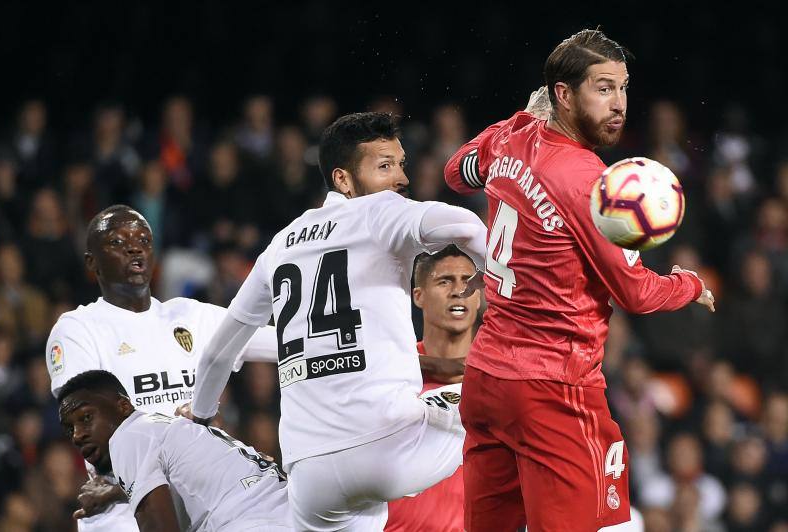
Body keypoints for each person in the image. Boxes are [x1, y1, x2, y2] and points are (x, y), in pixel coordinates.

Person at [444, 29, 715, 531]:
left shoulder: (512, 135)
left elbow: (457, 173)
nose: (619, 105)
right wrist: (690, 286)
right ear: (564, 96)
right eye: (604, 88)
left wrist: (518, 122)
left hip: (486, 379)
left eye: (623, 87)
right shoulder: (589, 182)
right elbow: (634, 291)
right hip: (553, 389)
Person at [187, 112, 486, 531]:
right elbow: (464, 225)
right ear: (343, 180)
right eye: (384, 166)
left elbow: (222, 348)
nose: (401, 178)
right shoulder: (380, 211)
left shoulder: (280, 244)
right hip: (391, 449)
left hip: (309, 476)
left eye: (401, 164)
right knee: (502, 392)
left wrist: (199, 415)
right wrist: (503, 274)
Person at [45, 205, 279, 531]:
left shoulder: (191, 317)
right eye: (117, 241)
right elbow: (90, 425)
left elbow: (285, 343)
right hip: (122, 509)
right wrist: (192, 434)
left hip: (199, 506)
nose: (134, 246)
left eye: (143, 239)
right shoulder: (77, 329)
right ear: (91, 262)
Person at [58, 369, 292, 531]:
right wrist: (115, 493)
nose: (78, 435)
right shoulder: (171, 429)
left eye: (86, 417)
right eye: (69, 430)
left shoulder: (127, 436)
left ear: (123, 406)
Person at [385, 245, 481, 531]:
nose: (459, 291)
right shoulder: (390, 373)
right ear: (418, 295)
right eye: (445, 281)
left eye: (468, 282)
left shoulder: (504, 377)